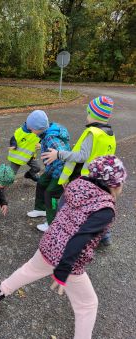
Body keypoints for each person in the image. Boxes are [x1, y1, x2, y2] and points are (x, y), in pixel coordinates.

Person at [0, 155, 127, 339]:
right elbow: (80, 238)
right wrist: (62, 271)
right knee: (87, 304)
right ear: (113, 183)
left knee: (29, 270)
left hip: (50, 243)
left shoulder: (79, 184)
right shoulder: (105, 209)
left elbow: (61, 208)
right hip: (68, 259)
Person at [42, 96, 116, 244]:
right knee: (95, 209)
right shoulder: (110, 135)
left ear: (94, 115)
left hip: (84, 181)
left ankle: (61, 234)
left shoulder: (92, 133)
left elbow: (81, 156)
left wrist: (58, 154)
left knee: (64, 205)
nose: (87, 117)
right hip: (100, 181)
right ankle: (105, 236)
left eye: (88, 113)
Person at [22, 110, 70, 232]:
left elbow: (64, 156)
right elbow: (32, 129)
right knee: (41, 182)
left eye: (32, 129)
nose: (31, 132)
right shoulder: (46, 131)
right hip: (53, 168)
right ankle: (41, 208)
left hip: (62, 171)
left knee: (51, 194)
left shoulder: (51, 138)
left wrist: (63, 177)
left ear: (38, 128)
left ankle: (52, 223)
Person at [7, 118, 41, 182]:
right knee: (11, 175)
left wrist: (41, 145)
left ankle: (30, 174)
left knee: (37, 168)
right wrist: (13, 145)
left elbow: (41, 140)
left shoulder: (38, 132)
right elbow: (13, 138)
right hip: (17, 157)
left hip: (29, 157)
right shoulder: (20, 131)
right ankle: (0, 186)